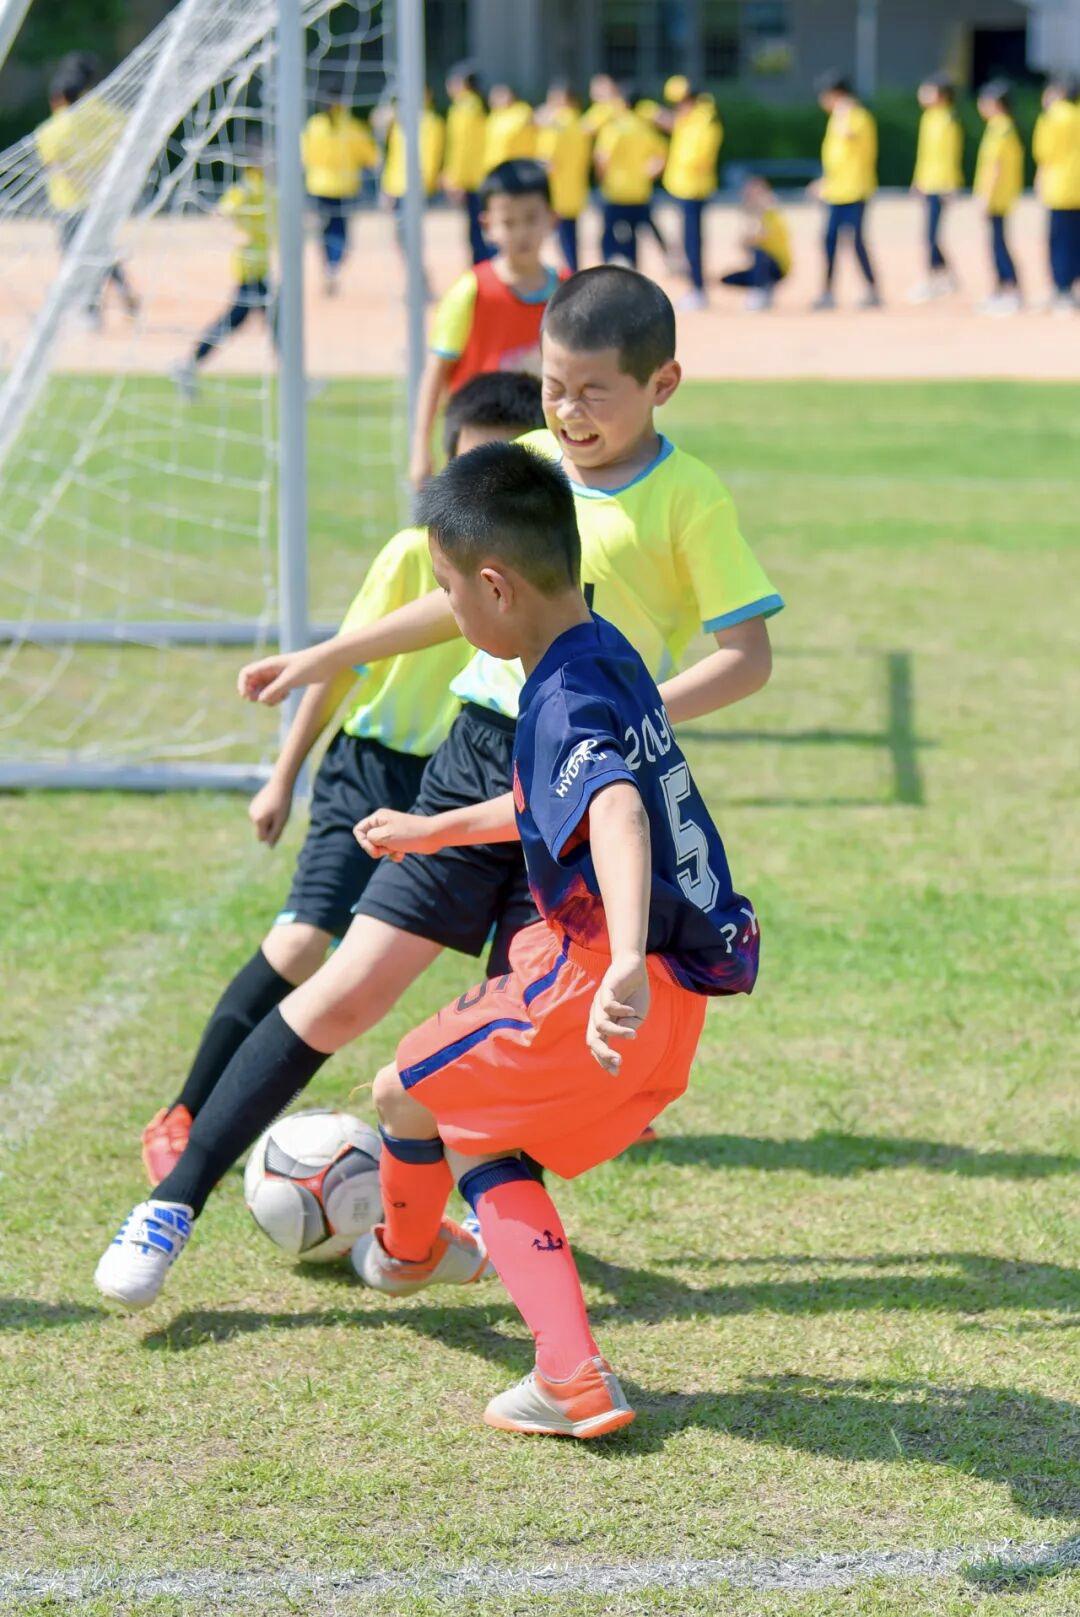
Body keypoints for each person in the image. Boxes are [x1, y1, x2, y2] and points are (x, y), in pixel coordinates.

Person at [94, 267, 781, 1313]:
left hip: (580, 799)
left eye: (595, 391)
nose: (568, 410)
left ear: (663, 385)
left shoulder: (691, 499)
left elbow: (748, 653)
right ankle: (174, 1203)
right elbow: (444, 599)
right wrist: (322, 656)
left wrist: (623, 728)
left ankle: (436, 1249)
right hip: (475, 757)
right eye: (555, 385)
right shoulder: (522, 469)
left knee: (520, 1044)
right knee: (351, 987)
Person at [344, 442, 760, 1438]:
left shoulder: (558, 698)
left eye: (449, 593)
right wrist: (436, 828)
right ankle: (567, 1374)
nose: (449, 612)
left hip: (589, 985)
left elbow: (610, 806)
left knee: (403, 1089)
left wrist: (613, 955)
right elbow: (556, 796)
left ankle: (409, 1255)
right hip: (670, 998)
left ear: (496, 587)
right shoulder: (603, 649)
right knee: (486, 1132)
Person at [139, 373, 546, 1184]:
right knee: (301, 943)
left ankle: (537, 1115)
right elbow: (347, 661)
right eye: (472, 468)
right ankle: (185, 1110)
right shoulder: (412, 554)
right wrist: (282, 776)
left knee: (520, 962)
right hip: (373, 766)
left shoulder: (536, 570)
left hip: (463, 777)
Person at [409, 159, 560, 487]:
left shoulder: (567, 292)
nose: (521, 232)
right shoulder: (471, 291)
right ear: (487, 225)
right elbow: (436, 372)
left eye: (531, 219)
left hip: (543, 453)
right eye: (508, 222)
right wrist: (420, 447)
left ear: (552, 218)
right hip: (477, 454)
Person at [35, 51, 139, 327]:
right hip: (104, 199)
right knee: (99, 250)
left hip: (70, 202)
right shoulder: (109, 116)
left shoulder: (52, 130)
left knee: (78, 256)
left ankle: (92, 311)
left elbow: (53, 164)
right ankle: (121, 295)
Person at [170, 144, 273, 401]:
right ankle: (189, 364)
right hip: (249, 265)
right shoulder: (247, 189)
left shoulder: (265, 189)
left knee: (258, 319)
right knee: (264, 318)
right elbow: (222, 212)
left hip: (259, 265)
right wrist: (241, 234)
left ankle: (190, 364)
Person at [301, 74, 378, 296]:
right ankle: (333, 266)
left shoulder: (314, 126)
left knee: (325, 231)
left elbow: (304, 157)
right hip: (344, 188)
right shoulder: (353, 128)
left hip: (319, 187)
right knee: (340, 232)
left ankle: (328, 266)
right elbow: (372, 158)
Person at [810, 72, 880, 310]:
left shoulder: (857, 117)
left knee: (856, 240)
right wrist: (824, 181)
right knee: (829, 239)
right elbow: (837, 157)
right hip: (836, 191)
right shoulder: (837, 118)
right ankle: (828, 292)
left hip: (856, 190)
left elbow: (849, 137)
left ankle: (872, 289)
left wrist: (843, 111)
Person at [659, 76, 723, 311]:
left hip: (694, 189)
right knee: (689, 242)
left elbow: (699, 157)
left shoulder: (704, 121)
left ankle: (698, 289)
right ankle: (695, 287)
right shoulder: (690, 120)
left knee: (693, 242)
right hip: (685, 188)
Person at [593, 84, 668, 268]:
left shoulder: (615, 127)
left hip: (616, 191)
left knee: (609, 236)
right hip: (640, 190)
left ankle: (611, 269)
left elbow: (602, 157)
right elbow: (662, 156)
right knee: (635, 234)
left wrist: (601, 178)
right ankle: (636, 268)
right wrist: (649, 174)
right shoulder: (645, 128)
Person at [379, 89, 445, 296]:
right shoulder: (399, 121)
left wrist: (425, 184)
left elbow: (432, 156)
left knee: (411, 235)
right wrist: (387, 186)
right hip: (398, 186)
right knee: (400, 237)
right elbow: (393, 156)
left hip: (415, 188)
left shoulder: (432, 122)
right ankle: (419, 277)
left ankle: (419, 282)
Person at [908, 75, 963, 303]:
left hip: (941, 184)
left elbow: (951, 155)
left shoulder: (948, 120)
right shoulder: (928, 118)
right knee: (930, 234)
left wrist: (951, 185)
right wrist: (917, 180)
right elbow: (925, 155)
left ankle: (934, 279)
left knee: (931, 234)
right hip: (928, 182)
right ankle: (946, 276)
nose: (923, 94)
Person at [974, 80, 1024, 315]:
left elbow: (995, 166)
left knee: (998, 244)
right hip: (998, 196)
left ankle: (1010, 289)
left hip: (997, 197)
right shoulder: (1000, 126)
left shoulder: (1000, 128)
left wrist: (985, 196)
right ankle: (1002, 289)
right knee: (995, 243)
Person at [1033, 74, 1080, 312]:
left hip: (1060, 188)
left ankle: (1062, 290)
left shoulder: (1053, 116)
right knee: (1076, 240)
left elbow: (1044, 152)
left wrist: (1040, 180)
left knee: (1059, 241)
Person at [535, 82, 591, 273]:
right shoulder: (580, 123)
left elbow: (547, 159)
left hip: (557, 190)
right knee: (572, 239)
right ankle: (574, 273)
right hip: (575, 188)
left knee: (562, 241)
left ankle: (570, 278)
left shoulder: (556, 124)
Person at [718, 176, 792, 311]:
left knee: (759, 253)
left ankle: (760, 292)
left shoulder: (771, 212)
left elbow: (757, 237)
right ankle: (763, 287)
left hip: (777, 265)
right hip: (763, 265)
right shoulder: (758, 215)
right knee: (728, 279)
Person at [443, 64, 490, 264]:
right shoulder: (476, 106)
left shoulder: (464, 108)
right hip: (477, 177)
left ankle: (482, 268)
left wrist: (456, 178)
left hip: (472, 178)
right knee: (478, 228)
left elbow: (463, 147)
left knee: (477, 229)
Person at [483, 85, 537, 173]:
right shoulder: (494, 116)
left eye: (499, 96)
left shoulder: (522, 111)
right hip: (494, 168)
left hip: (517, 168)